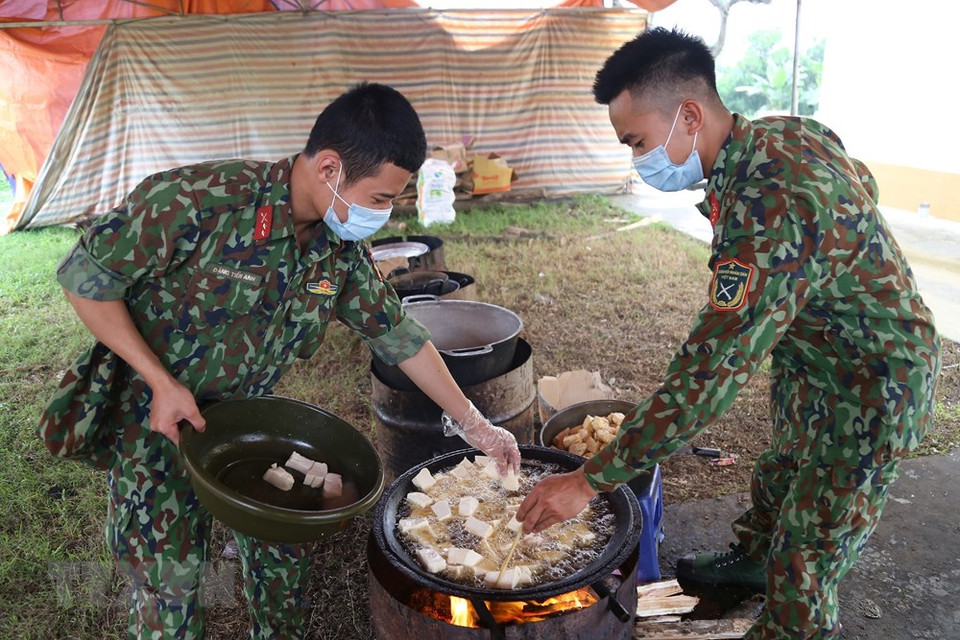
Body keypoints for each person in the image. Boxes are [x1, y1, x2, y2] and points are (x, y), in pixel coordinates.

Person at [38, 82, 520, 639]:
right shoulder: (196, 202)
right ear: (330, 168)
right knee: (170, 589)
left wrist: (475, 423)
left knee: (284, 569)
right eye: (379, 199)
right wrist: (159, 381)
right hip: (156, 421)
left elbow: (398, 335)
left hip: (251, 425)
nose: (383, 216)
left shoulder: (339, 247)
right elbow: (86, 281)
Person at [516, 28, 941, 638]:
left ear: (689, 115)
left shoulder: (771, 202)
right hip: (815, 354)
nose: (637, 160)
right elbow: (861, 179)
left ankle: (793, 623)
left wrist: (588, 480)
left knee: (809, 548)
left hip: (877, 379)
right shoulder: (777, 135)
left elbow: (709, 375)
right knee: (782, 470)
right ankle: (751, 563)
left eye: (637, 142)